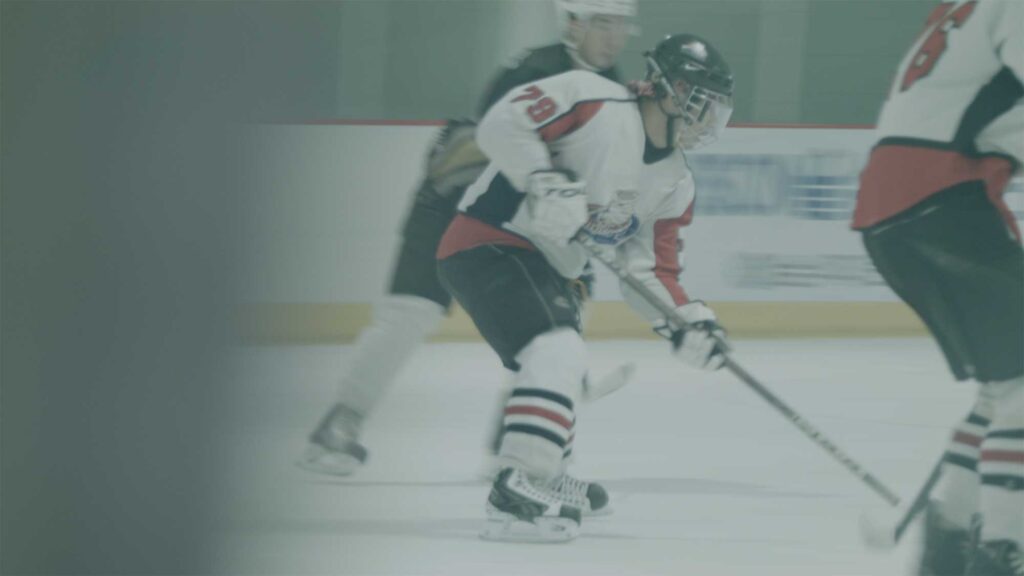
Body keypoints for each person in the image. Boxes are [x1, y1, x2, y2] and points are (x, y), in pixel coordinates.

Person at [298, 0, 636, 509]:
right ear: (572, 24)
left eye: (621, 26)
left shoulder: (610, 83)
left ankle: (518, 442)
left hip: (513, 223)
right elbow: (499, 148)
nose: (614, 38)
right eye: (602, 23)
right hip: (454, 200)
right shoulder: (537, 70)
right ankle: (340, 422)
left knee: (544, 332)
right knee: (408, 314)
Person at [435, 33, 735, 542]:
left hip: (550, 266)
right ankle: (518, 486)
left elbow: (650, 272)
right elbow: (505, 121)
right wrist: (542, 178)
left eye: (717, 111)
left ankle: (546, 473)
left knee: (563, 360)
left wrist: (688, 322)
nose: (708, 121)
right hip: (489, 240)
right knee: (556, 348)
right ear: (669, 87)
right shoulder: (591, 97)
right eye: (702, 102)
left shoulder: (675, 182)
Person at [851, 1, 1023, 573]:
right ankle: (1002, 550)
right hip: (942, 198)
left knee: (1004, 387)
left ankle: (948, 546)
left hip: (893, 208)